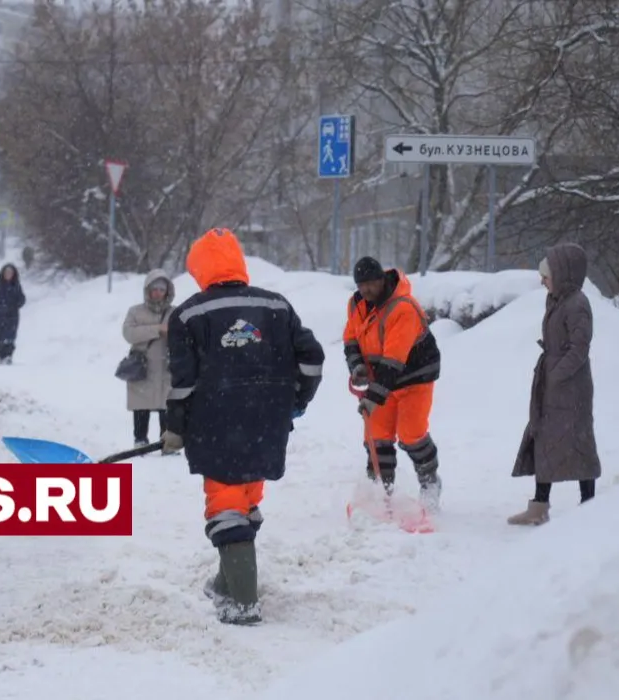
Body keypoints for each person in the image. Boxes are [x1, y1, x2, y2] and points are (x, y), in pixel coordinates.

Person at [161, 228, 325, 625]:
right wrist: (295, 401)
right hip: (268, 424)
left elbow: (183, 382)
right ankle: (225, 584)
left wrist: (175, 427)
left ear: (199, 268)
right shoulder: (277, 307)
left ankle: (243, 605)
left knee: (227, 506)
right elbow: (313, 359)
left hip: (215, 424)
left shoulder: (188, 314)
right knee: (246, 500)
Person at [508, 243, 602, 526]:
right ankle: (539, 506)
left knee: (579, 443)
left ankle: (590, 505)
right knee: (545, 441)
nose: (542, 281)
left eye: (546, 276)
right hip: (551, 385)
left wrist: (558, 374)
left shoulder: (577, 304)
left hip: (572, 389)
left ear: (563, 274)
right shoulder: (557, 299)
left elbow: (579, 348)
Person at [343, 256, 443, 511]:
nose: (366, 290)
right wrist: (357, 367)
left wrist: (373, 398)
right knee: (377, 437)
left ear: (382, 280)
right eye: (361, 285)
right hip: (383, 380)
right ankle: (381, 492)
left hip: (414, 377)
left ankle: (430, 483)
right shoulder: (356, 304)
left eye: (371, 284)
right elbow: (351, 339)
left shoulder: (403, 308)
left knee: (411, 434)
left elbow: (393, 361)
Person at [121, 269, 176, 450]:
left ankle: (166, 442)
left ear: (167, 291)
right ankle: (140, 440)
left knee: (166, 404)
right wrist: (157, 329)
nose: (158, 293)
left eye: (161, 289)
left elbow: (185, 335)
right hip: (142, 365)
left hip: (166, 366)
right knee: (140, 404)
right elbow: (129, 334)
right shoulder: (135, 312)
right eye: (154, 289)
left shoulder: (175, 313)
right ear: (148, 290)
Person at [0, 263, 26, 364]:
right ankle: (2, 356)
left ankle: (8, 357)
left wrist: (17, 302)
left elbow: (21, 299)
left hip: (12, 318)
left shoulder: (16, 286)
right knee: (1, 338)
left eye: (10, 273)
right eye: (6, 273)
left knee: (10, 339)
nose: (8, 275)